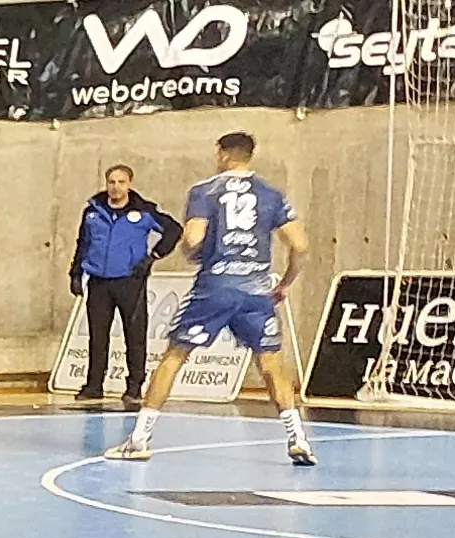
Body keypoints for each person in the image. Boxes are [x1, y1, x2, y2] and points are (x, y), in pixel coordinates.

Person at [115, 130, 315, 469]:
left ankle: (139, 439)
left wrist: (191, 251)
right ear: (250, 155)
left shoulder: (205, 190)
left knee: (174, 356)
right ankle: (298, 439)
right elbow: (301, 246)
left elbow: (193, 237)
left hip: (216, 285)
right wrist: (285, 284)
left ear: (222, 154)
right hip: (255, 290)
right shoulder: (272, 194)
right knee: (270, 364)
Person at [69, 162, 181, 406]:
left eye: (121, 182)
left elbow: (173, 230)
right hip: (99, 281)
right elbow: (83, 243)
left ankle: (134, 386)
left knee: (135, 334)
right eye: (111, 182)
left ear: (129, 184)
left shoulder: (144, 211)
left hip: (130, 281)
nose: (115, 187)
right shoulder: (92, 210)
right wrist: (76, 273)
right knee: (97, 335)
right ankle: (94, 384)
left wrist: (153, 257)